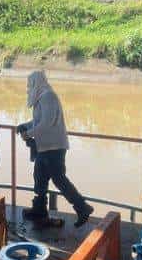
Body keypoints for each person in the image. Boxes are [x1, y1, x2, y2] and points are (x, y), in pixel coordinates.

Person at [16, 71, 94, 227]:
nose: (28, 88)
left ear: (37, 83)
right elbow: (38, 121)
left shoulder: (48, 97)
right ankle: (39, 210)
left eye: (30, 84)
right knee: (40, 178)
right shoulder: (41, 98)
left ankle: (82, 207)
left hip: (54, 147)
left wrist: (28, 134)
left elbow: (47, 123)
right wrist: (25, 125)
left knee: (59, 179)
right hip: (44, 147)